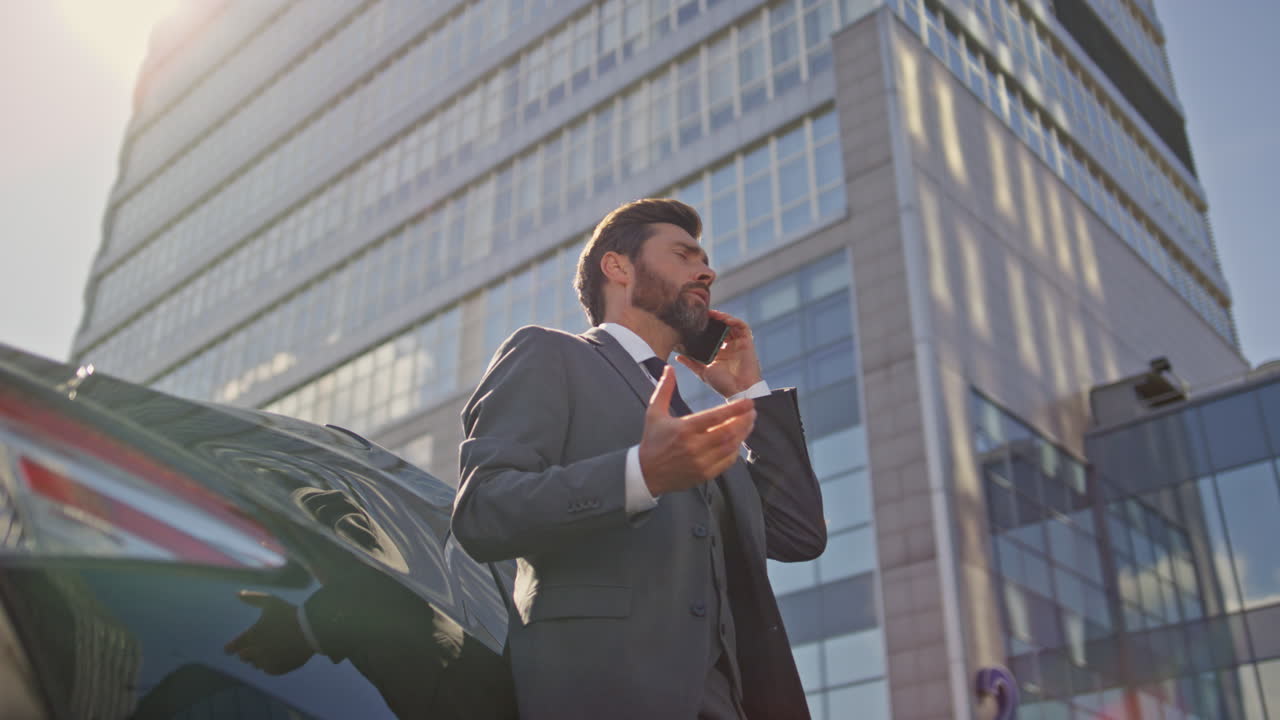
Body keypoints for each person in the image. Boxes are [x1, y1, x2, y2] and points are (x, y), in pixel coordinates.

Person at [451, 198, 826, 719]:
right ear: (618, 267)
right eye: (684, 254)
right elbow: (482, 511)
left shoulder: (694, 421)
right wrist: (639, 475)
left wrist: (747, 393)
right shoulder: (549, 354)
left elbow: (798, 534)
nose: (707, 270)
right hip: (601, 698)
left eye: (705, 260)